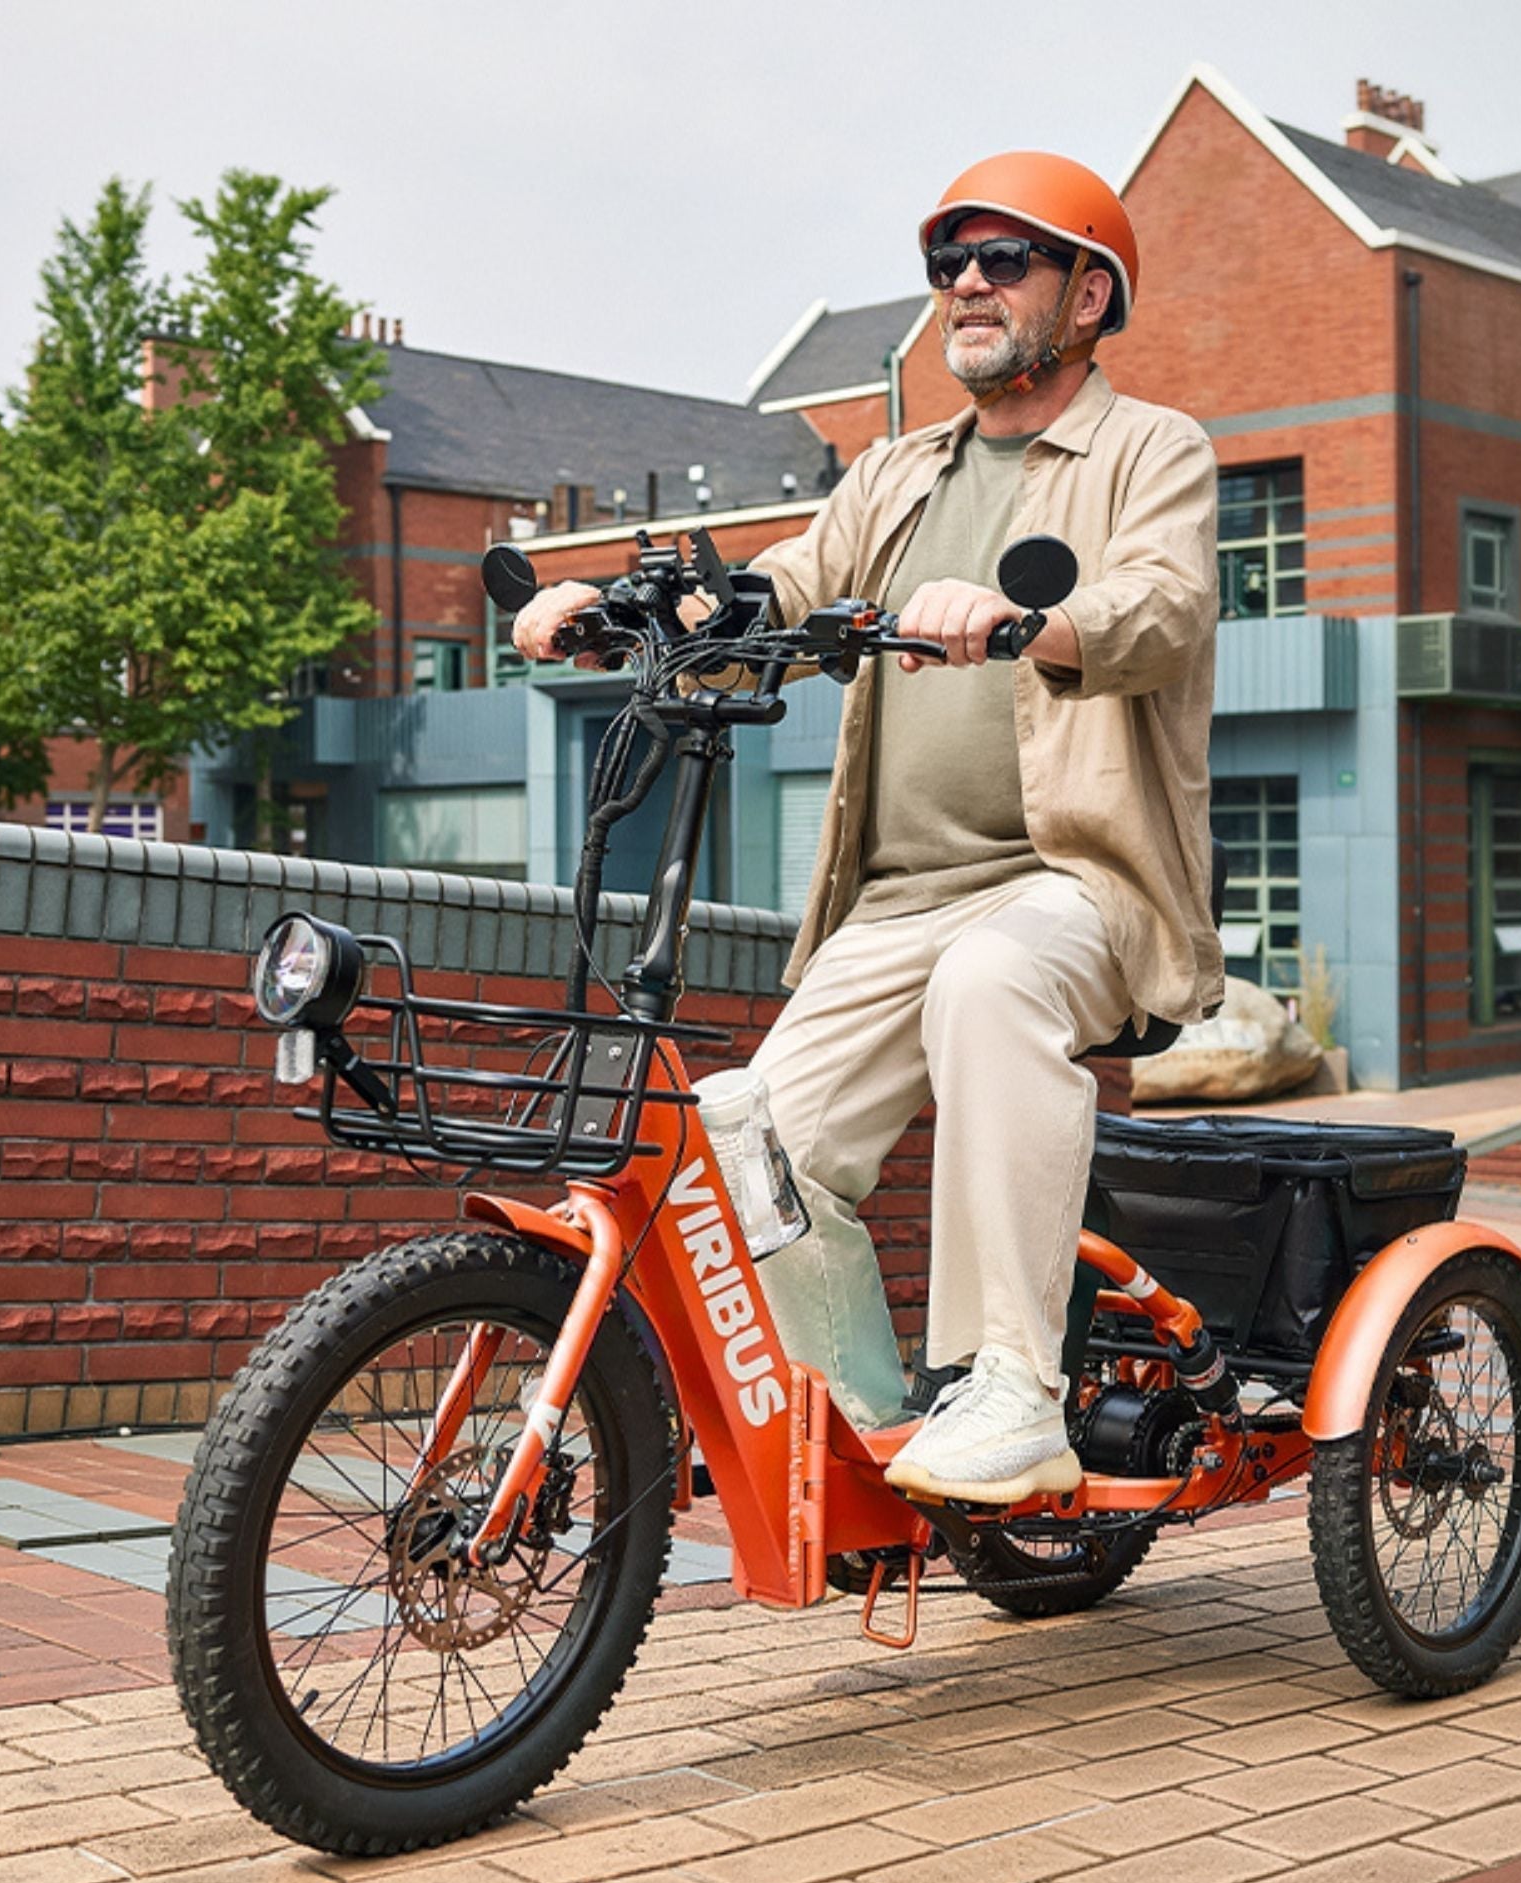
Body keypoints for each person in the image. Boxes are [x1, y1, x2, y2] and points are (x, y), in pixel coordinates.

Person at [513, 153, 1222, 1504]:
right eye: (947, 261)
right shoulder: (896, 470)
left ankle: (1015, 1389)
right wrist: (617, 603)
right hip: (894, 900)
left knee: (993, 981)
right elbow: (784, 585)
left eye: (1003, 258)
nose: (965, 281)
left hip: (1072, 885)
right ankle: (860, 1419)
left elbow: (1164, 604)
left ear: (1087, 295)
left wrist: (1029, 621)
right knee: (745, 1136)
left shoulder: (1150, 449)